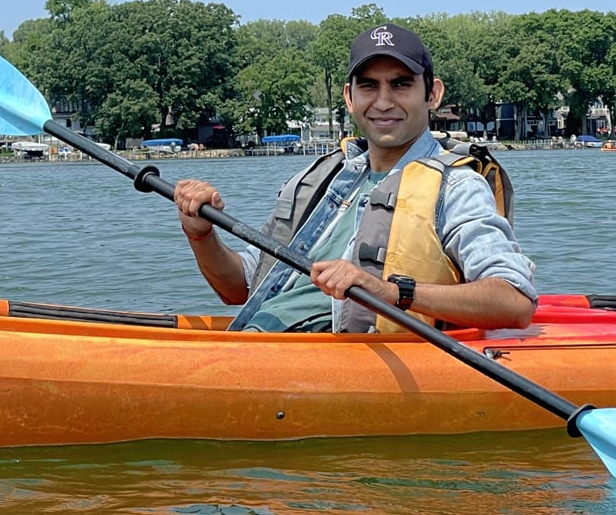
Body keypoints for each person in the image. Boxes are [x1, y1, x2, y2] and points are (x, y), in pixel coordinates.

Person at [174, 23, 536, 333]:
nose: (382, 102)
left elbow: (514, 300)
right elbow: (240, 287)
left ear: (433, 94)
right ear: (349, 97)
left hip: (335, 368)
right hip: (262, 344)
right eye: (368, 86)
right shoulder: (320, 178)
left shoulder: (456, 187)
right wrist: (200, 234)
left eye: (400, 85)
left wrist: (389, 292)